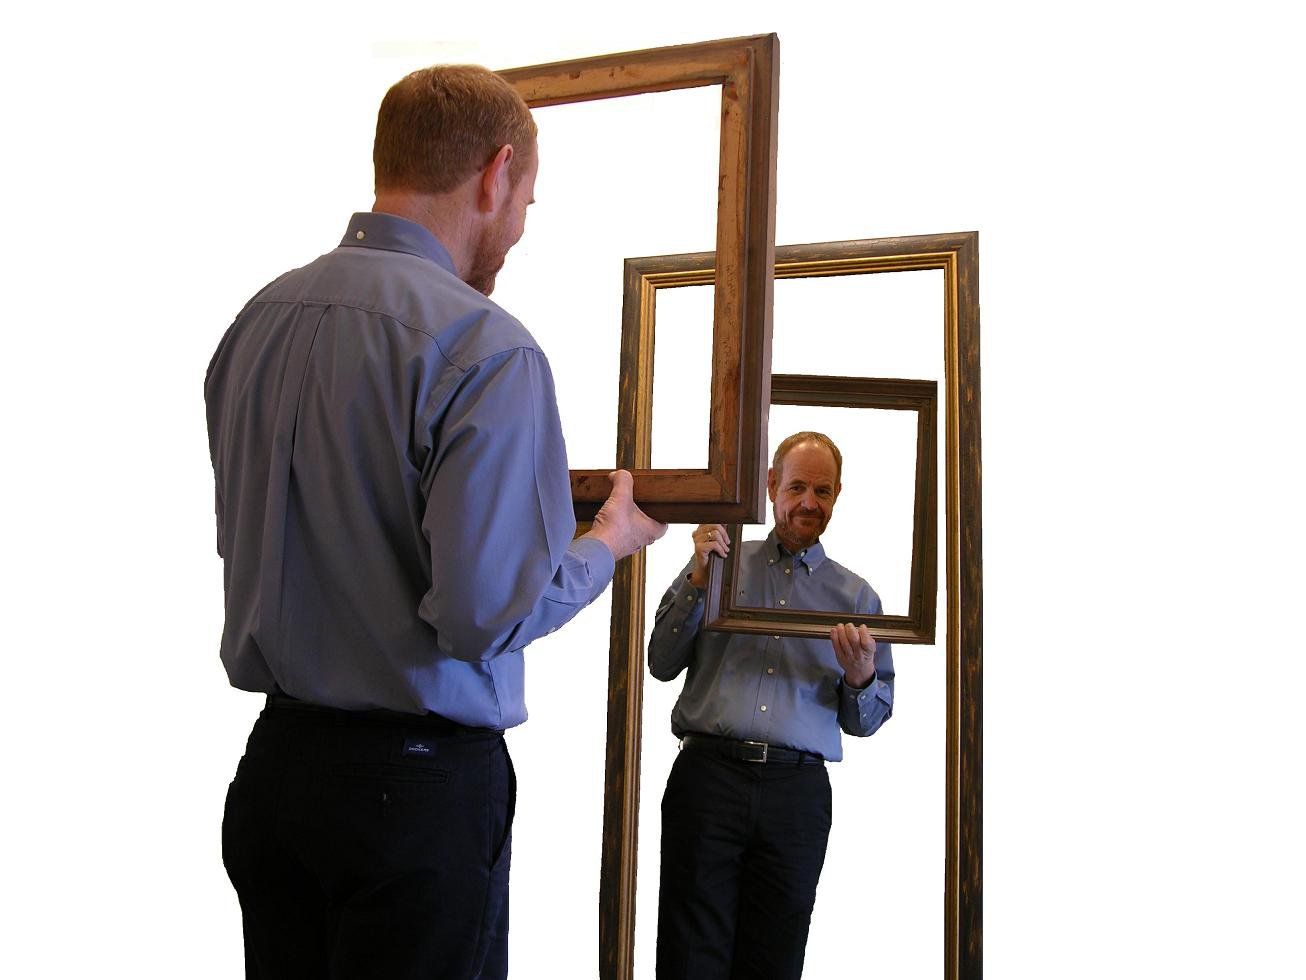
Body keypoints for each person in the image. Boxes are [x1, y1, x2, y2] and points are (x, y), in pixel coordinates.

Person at [205, 64, 665, 979]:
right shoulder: (488, 350)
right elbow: (481, 618)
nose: (521, 228)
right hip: (410, 794)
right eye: (528, 200)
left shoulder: (253, 321)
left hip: (275, 779)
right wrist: (604, 545)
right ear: (495, 175)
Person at [647, 431, 894, 979]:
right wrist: (695, 580)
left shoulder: (857, 600)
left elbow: (869, 721)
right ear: (770, 486)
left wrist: (860, 679)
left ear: (837, 497)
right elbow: (661, 660)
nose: (809, 502)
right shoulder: (718, 564)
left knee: (774, 961)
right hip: (708, 780)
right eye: (798, 486)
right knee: (689, 955)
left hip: (796, 796)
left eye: (823, 491)